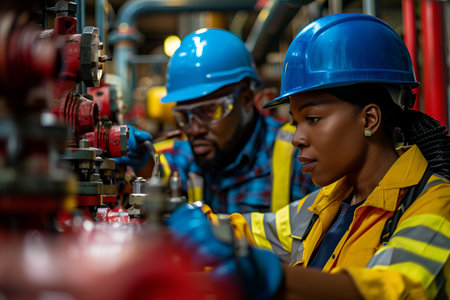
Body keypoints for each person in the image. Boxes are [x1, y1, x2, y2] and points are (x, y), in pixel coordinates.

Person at [167, 13, 450, 300]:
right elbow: (252, 230)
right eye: (295, 121)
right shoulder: (328, 202)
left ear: (369, 119)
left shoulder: (436, 206)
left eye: (313, 119)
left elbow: (394, 289)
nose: (298, 139)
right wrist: (191, 223)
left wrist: (275, 278)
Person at [117, 28, 317, 214]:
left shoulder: (301, 160)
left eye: (209, 111)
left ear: (246, 99)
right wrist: (142, 161)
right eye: (185, 115)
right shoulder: (187, 155)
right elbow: (160, 173)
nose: (194, 129)